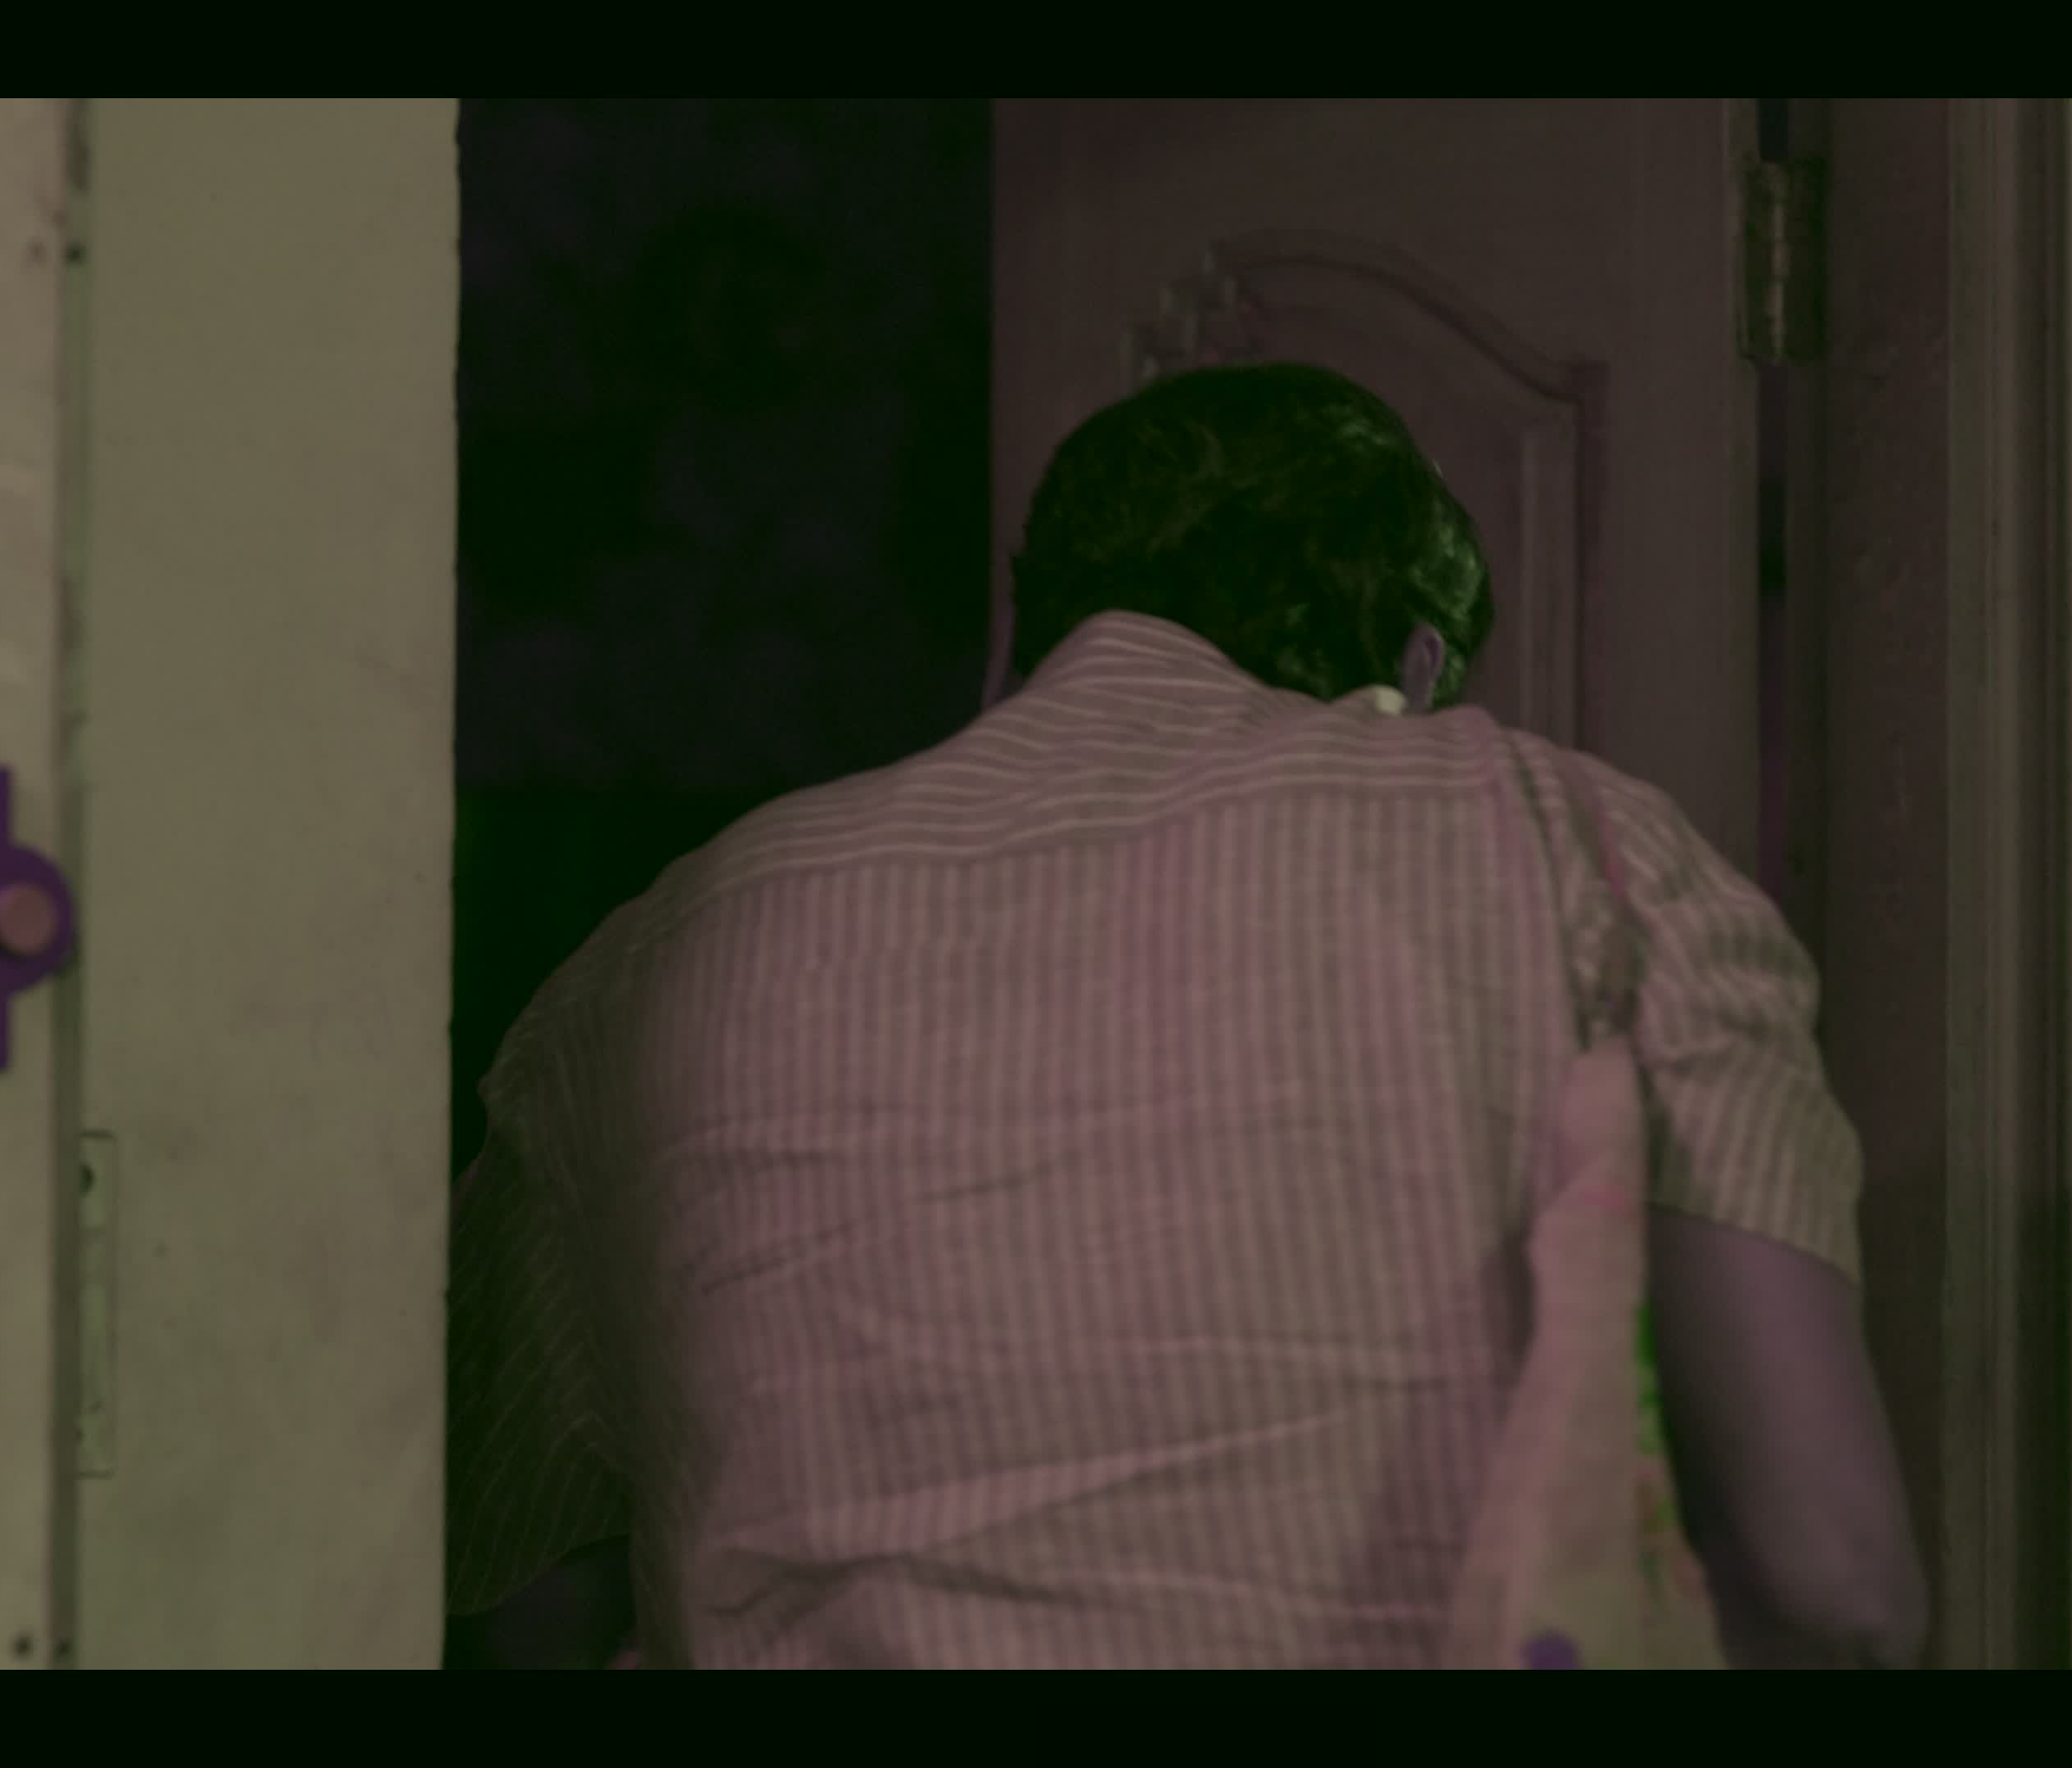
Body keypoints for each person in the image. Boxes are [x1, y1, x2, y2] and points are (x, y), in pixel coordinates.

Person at [444, 362, 1926, 1669]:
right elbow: (1838, 1584)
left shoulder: (666, 947)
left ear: (1023, 638)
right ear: (1416, 663)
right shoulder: (1576, 844)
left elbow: (421, 1507)